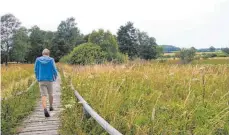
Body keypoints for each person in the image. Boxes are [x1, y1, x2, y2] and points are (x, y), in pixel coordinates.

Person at [34, 49, 58, 117]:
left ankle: (45, 109)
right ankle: (50, 106)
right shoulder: (51, 60)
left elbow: (35, 70)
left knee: (43, 95)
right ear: (48, 54)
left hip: (41, 80)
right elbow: (54, 68)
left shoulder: (38, 60)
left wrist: (37, 77)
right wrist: (55, 76)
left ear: (42, 53)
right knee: (50, 94)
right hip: (49, 79)